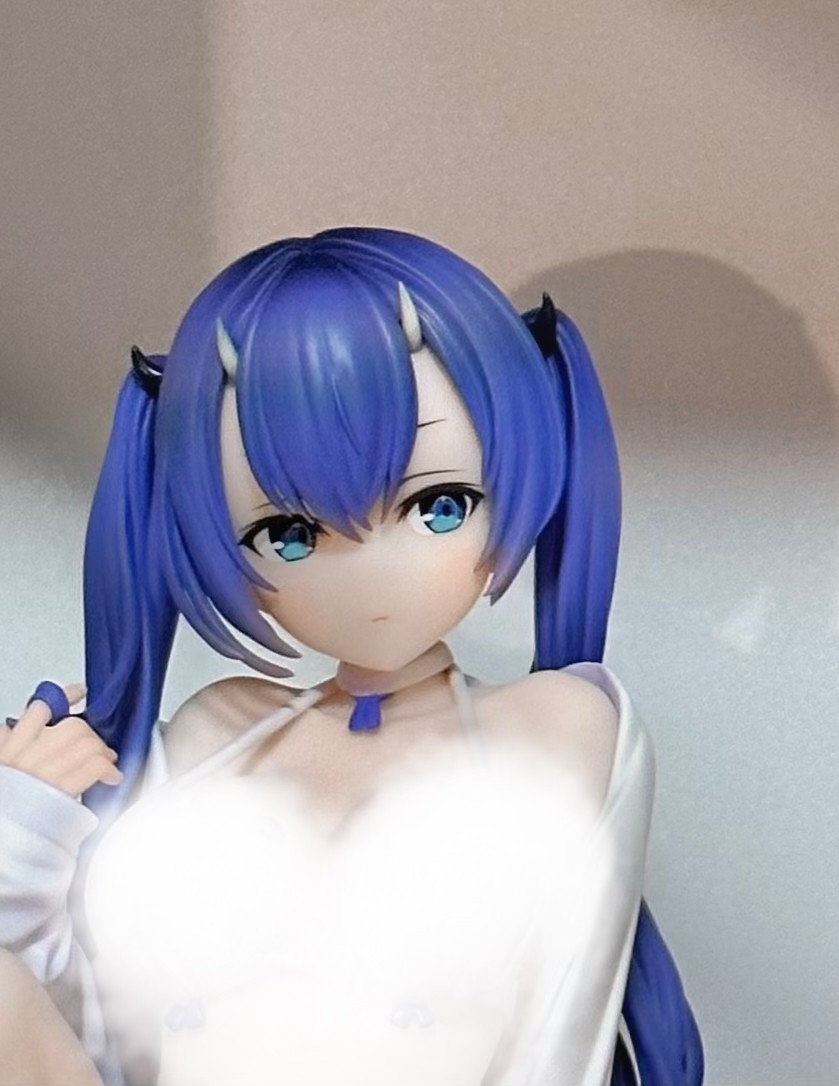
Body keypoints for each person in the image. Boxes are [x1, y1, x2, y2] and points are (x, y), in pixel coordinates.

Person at [0, 228, 703, 1086]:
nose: (373, 574)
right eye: (289, 534)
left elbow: (561, 1019)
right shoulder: (218, 730)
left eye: (439, 507)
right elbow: (83, 1006)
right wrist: (22, 827)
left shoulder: (557, 724)